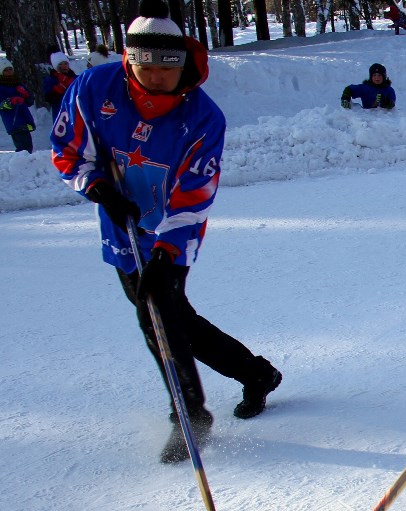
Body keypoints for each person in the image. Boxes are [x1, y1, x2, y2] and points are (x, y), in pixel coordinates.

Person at [50, 0, 282, 465]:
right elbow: (68, 149)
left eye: (168, 63)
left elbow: (194, 193)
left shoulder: (202, 116)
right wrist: (98, 188)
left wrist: (166, 251)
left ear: (184, 60)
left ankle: (190, 414)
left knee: (156, 314)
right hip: (122, 224)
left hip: (174, 227)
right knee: (170, 315)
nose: (157, 75)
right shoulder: (94, 88)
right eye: (145, 63)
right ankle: (255, 373)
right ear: (127, 61)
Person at [0, 61, 36, 153]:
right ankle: (20, 164)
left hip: (25, 118)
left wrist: (27, 95)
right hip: (13, 120)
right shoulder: (1, 87)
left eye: (10, 69)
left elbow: (30, 102)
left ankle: (25, 164)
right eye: (6, 70)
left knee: (28, 146)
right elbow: (2, 105)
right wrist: (11, 101)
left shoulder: (18, 84)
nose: (9, 72)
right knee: (23, 147)